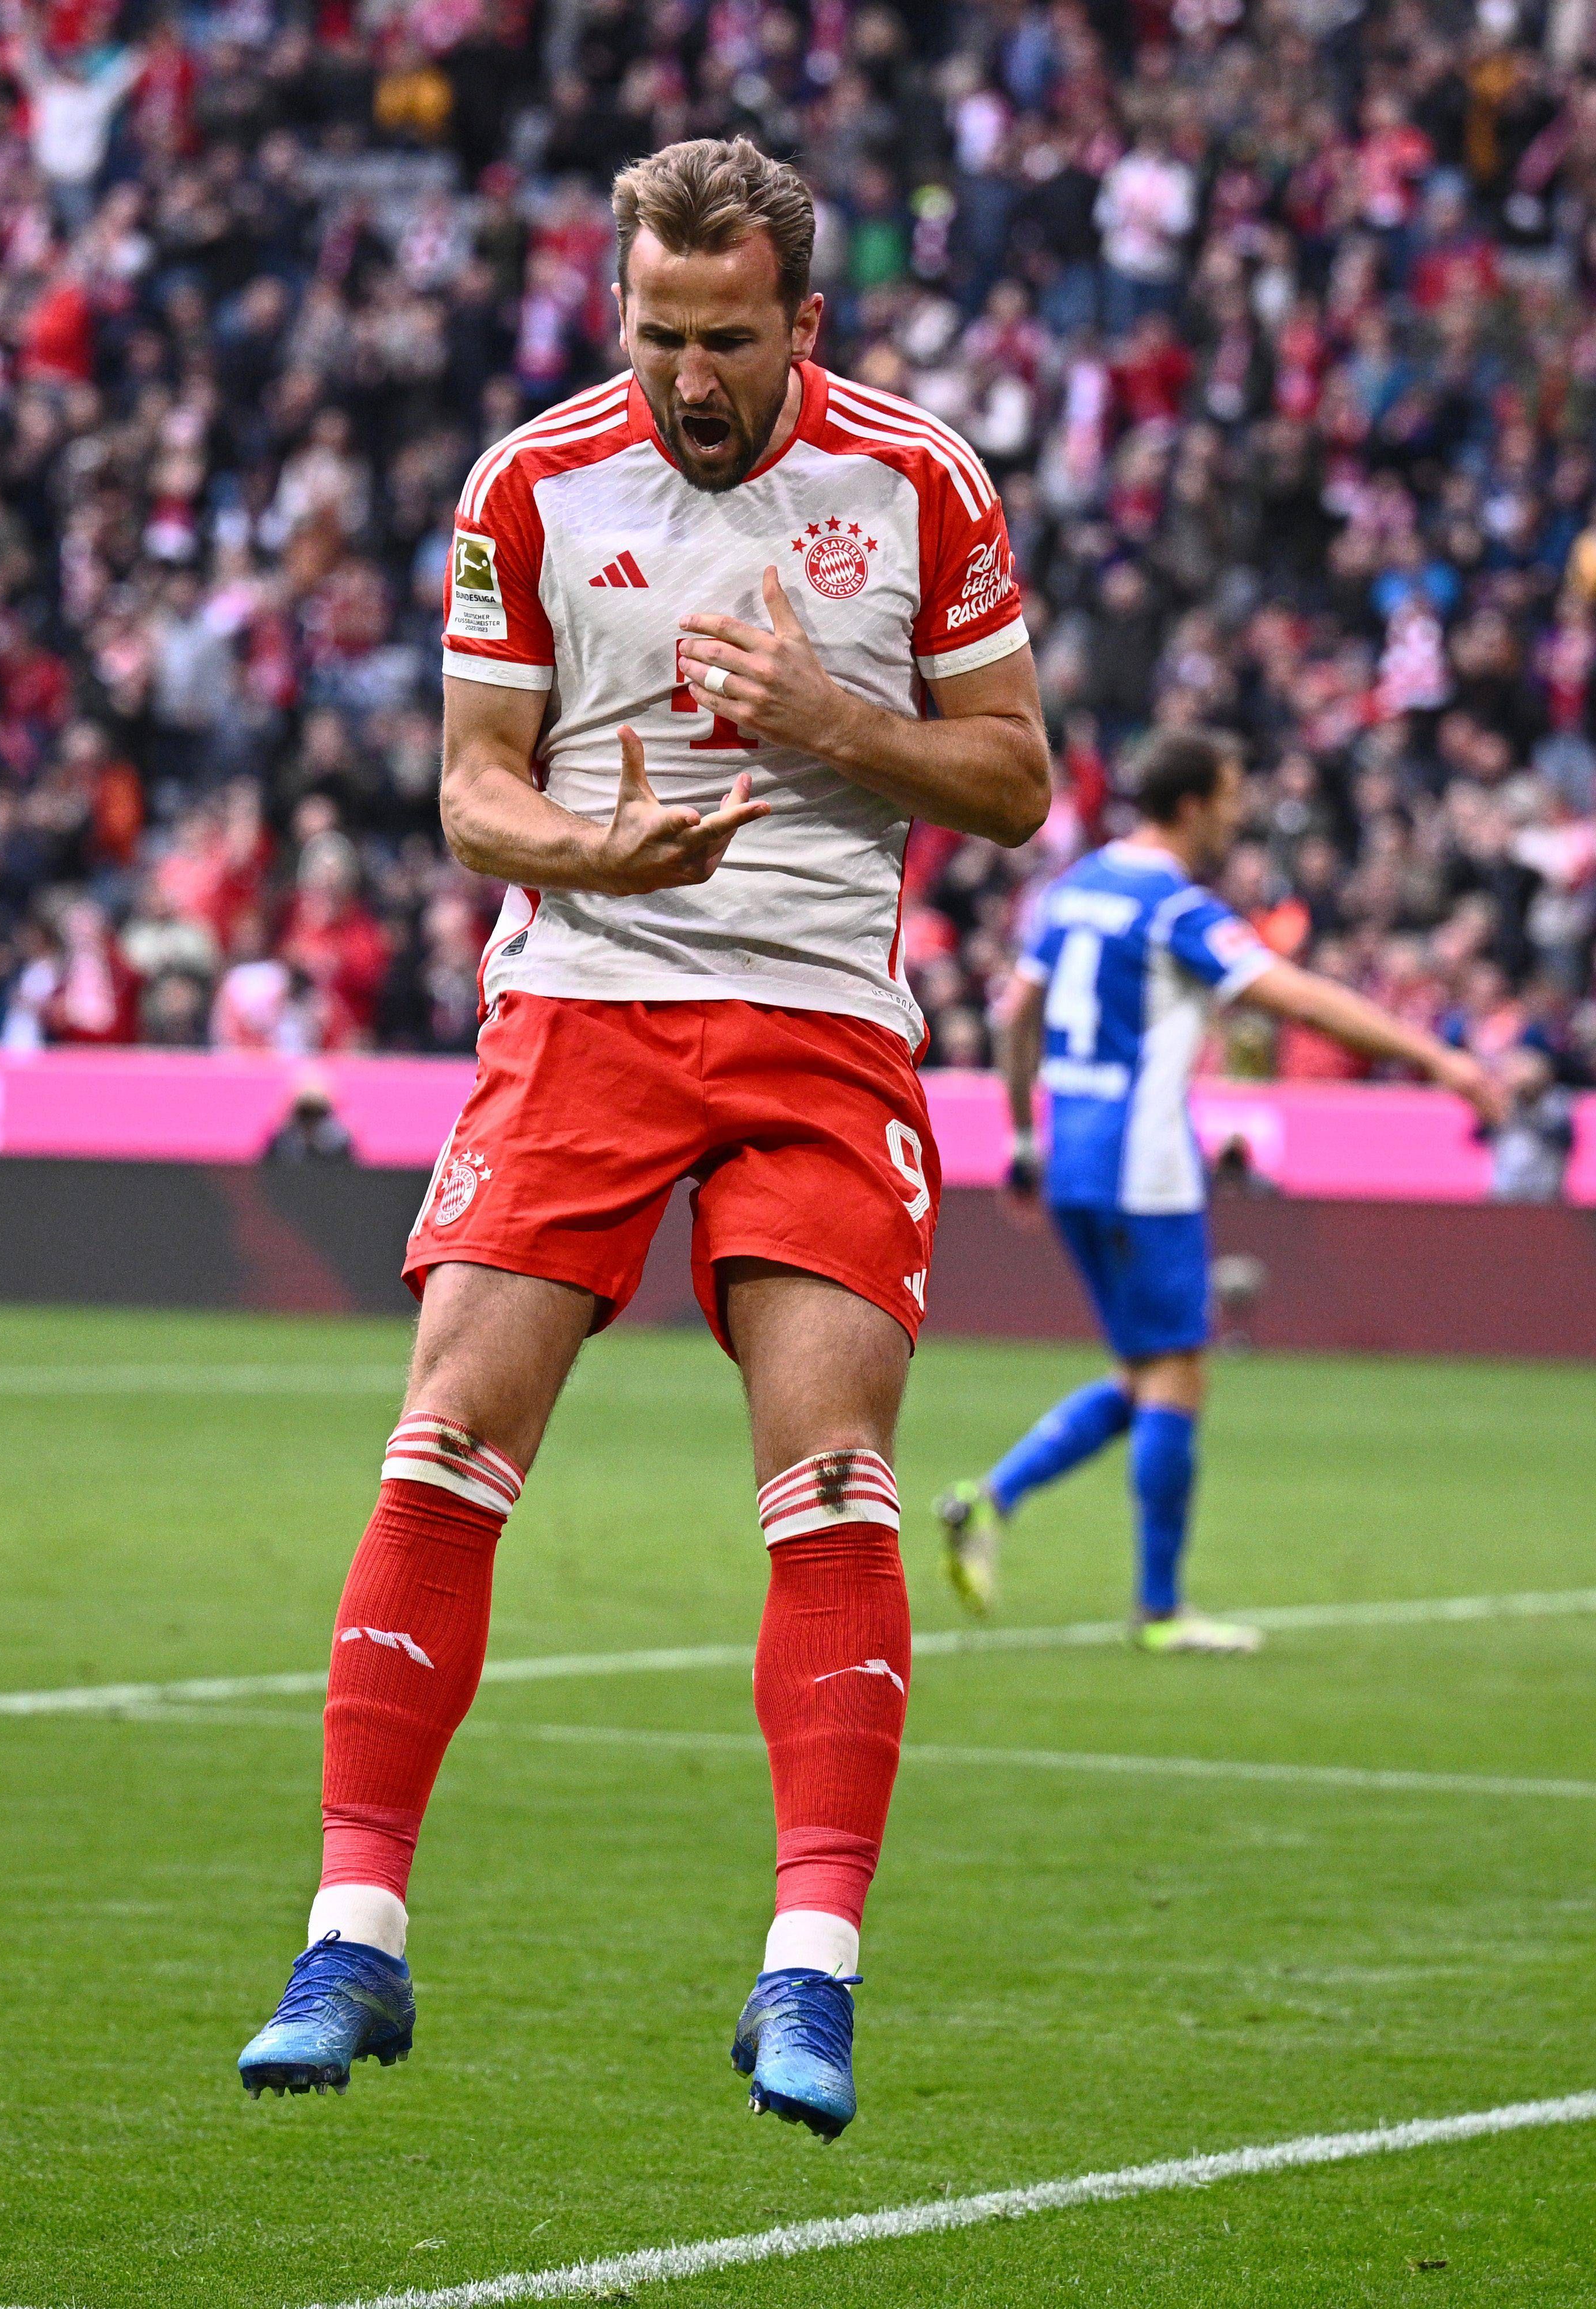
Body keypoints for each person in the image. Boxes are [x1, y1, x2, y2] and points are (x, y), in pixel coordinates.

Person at [235, 140, 1051, 2143]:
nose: (687, 376)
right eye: (654, 331)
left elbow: (1016, 775)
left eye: (726, 337)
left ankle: (807, 1969)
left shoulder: (918, 483)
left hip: (816, 1020)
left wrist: (828, 719)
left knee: (835, 1469)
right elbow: (469, 797)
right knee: (446, 1421)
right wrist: (596, 846)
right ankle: (350, 1935)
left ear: (802, 321)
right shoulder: (525, 485)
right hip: (585, 998)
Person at [932, 731, 1502, 1653]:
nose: (1239, 814)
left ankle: (988, 1499)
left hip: (1073, 1155)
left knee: (1144, 1371)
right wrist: (1438, 1058)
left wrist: (1027, 1139)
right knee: (1178, 1374)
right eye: (1232, 796)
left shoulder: (1072, 891)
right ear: (1192, 803)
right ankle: (1158, 1610)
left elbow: (1014, 1018)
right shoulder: (1172, 909)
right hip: (1143, 1166)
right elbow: (1301, 1000)